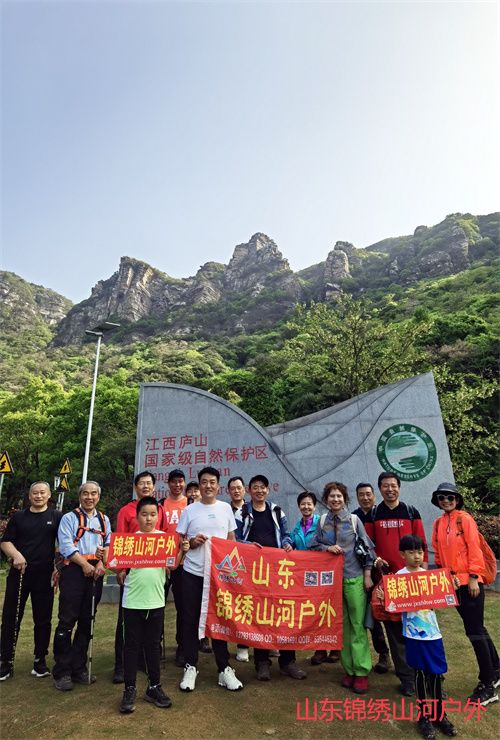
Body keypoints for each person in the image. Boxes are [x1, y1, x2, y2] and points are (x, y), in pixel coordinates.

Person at [432, 482, 499, 706]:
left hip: (469, 583)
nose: (446, 500)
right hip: (452, 584)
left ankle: (487, 685)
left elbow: (474, 548)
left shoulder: (465, 519)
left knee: (475, 632)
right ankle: (496, 671)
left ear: (458, 499)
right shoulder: (438, 523)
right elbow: (438, 555)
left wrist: (473, 577)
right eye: (442, 497)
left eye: (450, 497)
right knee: (477, 628)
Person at [176, 466, 243, 692]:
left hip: (218, 577)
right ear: (199, 484)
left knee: (219, 621)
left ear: (218, 485)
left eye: (212, 482)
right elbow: (180, 541)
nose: (208, 486)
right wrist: (192, 543)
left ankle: (224, 668)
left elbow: (231, 539)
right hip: (193, 573)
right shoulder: (189, 510)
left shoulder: (225, 509)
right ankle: (190, 666)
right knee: (190, 619)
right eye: (204, 482)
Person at [236, 474, 307, 682]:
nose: (259, 490)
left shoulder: (276, 511)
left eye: (262, 487)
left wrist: (286, 543)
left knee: (284, 613)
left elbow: (286, 534)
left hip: (277, 570)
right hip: (254, 572)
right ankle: (262, 662)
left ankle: (288, 662)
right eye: (255, 487)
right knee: (260, 615)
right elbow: (236, 538)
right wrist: (249, 546)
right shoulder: (242, 512)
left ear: (268, 490)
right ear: (249, 490)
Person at [117, 496, 184, 713]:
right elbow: (116, 564)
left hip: (156, 600)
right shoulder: (129, 541)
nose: (148, 519)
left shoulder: (165, 540)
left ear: (159, 516)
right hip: (132, 601)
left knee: (153, 645)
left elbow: (172, 566)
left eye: (153, 514)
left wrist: (182, 550)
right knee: (131, 646)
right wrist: (105, 556)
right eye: (144, 514)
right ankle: (129, 688)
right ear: (137, 517)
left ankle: (154, 686)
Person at [364, 472, 428, 696]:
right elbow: (369, 546)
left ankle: (425, 673)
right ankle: (407, 679)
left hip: (412, 580)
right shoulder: (374, 514)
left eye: (393, 485)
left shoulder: (411, 512)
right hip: (388, 582)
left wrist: (423, 572)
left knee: (419, 628)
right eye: (385, 486)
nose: (390, 489)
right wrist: (376, 562)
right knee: (395, 632)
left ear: (399, 487)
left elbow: (422, 544)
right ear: (380, 489)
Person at [310, 482, 373, 693]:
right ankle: (349, 669)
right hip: (332, 582)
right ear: (326, 499)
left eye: (339, 496)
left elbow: (366, 548)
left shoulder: (354, 520)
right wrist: (327, 548)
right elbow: (313, 545)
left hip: (354, 578)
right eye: (331, 496)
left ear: (344, 499)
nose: (335, 499)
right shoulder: (322, 521)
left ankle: (361, 671)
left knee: (357, 625)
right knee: (342, 626)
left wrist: (367, 575)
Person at [396, 535, 457, 740]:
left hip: (433, 633)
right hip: (413, 634)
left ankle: (440, 714)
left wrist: (452, 586)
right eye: (411, 552)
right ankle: (424, 716)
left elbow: (442, 598)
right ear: (402, 554)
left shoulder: (430, 576)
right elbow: (392, 605)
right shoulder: (399, 577)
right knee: (420, 673)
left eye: (420, 552)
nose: (417, 556)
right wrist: (383, 597)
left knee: (436, 673)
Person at [0, 482, 63, 681]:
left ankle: (39, 660)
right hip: (19, 573)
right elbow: (5, 541)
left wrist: (58, 566)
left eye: (42, 492)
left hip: (44, 575)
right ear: (29, 496)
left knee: (43, 619)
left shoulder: (56, 516)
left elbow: (63, 543)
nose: (38, 496)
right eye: (35, 493)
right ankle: (6, 661)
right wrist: (16, 555)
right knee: (11, 617)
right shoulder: (19, 517)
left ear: (49, 495)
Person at [52, 481, 111, 691]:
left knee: (88, 620)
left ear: (98, 497)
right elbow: (66, 545)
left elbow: (108, 544)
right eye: (85, 493)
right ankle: (62, 670)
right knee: (67, 620)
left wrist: (102, 564)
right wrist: (84, 564)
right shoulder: (69, 518)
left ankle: (78, 667)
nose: (89, 497)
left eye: (93, 494)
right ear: (79, 496)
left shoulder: (104, 519)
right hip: (74, 570)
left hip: (95, 571)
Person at [112, 471, 168, 683]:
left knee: (152, 623)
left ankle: (145, 662)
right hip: (133, 574)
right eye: (141, 483)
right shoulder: (126, 510)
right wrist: (121, 569)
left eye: (149, 483)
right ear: (135, 487)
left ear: (154, 486)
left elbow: (166, 539)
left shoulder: (159, 509)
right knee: (126, 624)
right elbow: (121, 539)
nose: (145, 486)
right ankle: (121, 666)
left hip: (154, 574)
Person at [352, 481, 391, 675]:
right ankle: (383, 654)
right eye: (361, 494)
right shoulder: (353, 518)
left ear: (374, 495)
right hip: (363, 574)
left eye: (368, 494)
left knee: (393, 616)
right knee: (372, 616)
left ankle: (403, 658)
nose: (365, 498)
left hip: (385, 572)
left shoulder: (382, 514)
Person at [162, 468, 189, 666]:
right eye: (174, 481)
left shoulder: (191, 504)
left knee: (183, 607)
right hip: (162, 564)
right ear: (168, 483)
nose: (177, 484)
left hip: (183, 564)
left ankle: (182, 647)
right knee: (156, 606)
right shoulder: (161, 505)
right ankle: (154, 645)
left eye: (180, 481)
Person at [227, 476, 250, 663]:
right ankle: (242, 645)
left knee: (254, 604)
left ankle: (263, 644)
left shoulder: (252, 509)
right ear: (228, 491)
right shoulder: (224, 510)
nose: (236, 491)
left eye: (239, 487)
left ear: (245, 490)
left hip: (252, 563)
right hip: (233, 564)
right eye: (233, 488)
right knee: (238, 604)